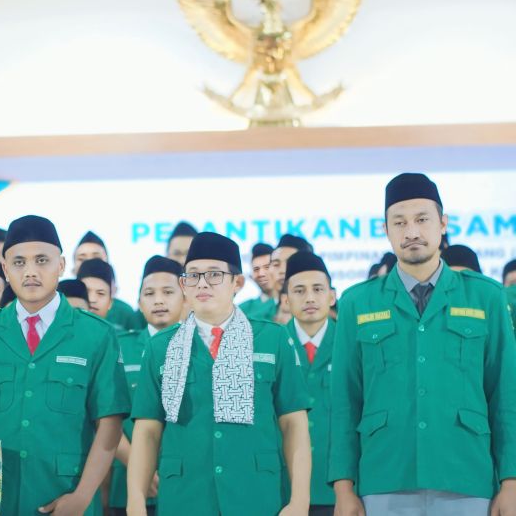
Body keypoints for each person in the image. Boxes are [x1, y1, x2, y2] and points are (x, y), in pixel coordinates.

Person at [329, 173, 516, 516]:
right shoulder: (358, 302)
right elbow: (344, 400)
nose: (411, 231)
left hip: (466, 475)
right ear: (385, 230)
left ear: (443, 224)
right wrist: (344, 488)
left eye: (422, 219)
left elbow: (505, 395)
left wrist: (511, 481)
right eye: (399, 222)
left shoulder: (486, 296)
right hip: (385, 476)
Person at [0, 214, 130, 516]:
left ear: (61, 265)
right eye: (19, 262)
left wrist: (82, 497)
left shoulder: (96, 334)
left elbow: (109, 424)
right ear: (6, 269)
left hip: (66, 497)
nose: (30, 271)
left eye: (42, 260)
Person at [127, 232, 312, 516]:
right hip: (185, 499)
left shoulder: (272, 339)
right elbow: (147, 432)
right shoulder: (161, 347)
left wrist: (299, 500)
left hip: (254, 497)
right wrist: (136, 500)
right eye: (193, 275)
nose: (202, 283)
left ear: (237, 282)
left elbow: (294, 424)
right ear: (184, 285)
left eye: (214, 274)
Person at [109, 255, 184, 516]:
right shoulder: (119, 348)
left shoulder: (203, 348)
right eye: (149, 293)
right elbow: (106, 417)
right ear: (139, 303)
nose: (158, 300)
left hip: (189, 487)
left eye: (168, 292)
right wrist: (138, 467)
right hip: (127, 486)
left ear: (186, 297)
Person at [279, 252, 337, 516]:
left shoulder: (352, 343)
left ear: (332, 296)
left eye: (318, 289)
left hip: (338, 486)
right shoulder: (271, 346)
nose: (310, 298)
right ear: (285, 300)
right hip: (284, 488)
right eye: (299, 291)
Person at [74, 231, 140, 331]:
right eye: (82, 258)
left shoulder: (125, 312)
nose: (90, 263)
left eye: (96, 257)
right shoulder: (63, 305)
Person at [239, 242, 277, 321]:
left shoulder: (292, 304)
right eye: (256, 269)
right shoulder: (242, 310)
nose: (261, 274)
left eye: (267, 267)